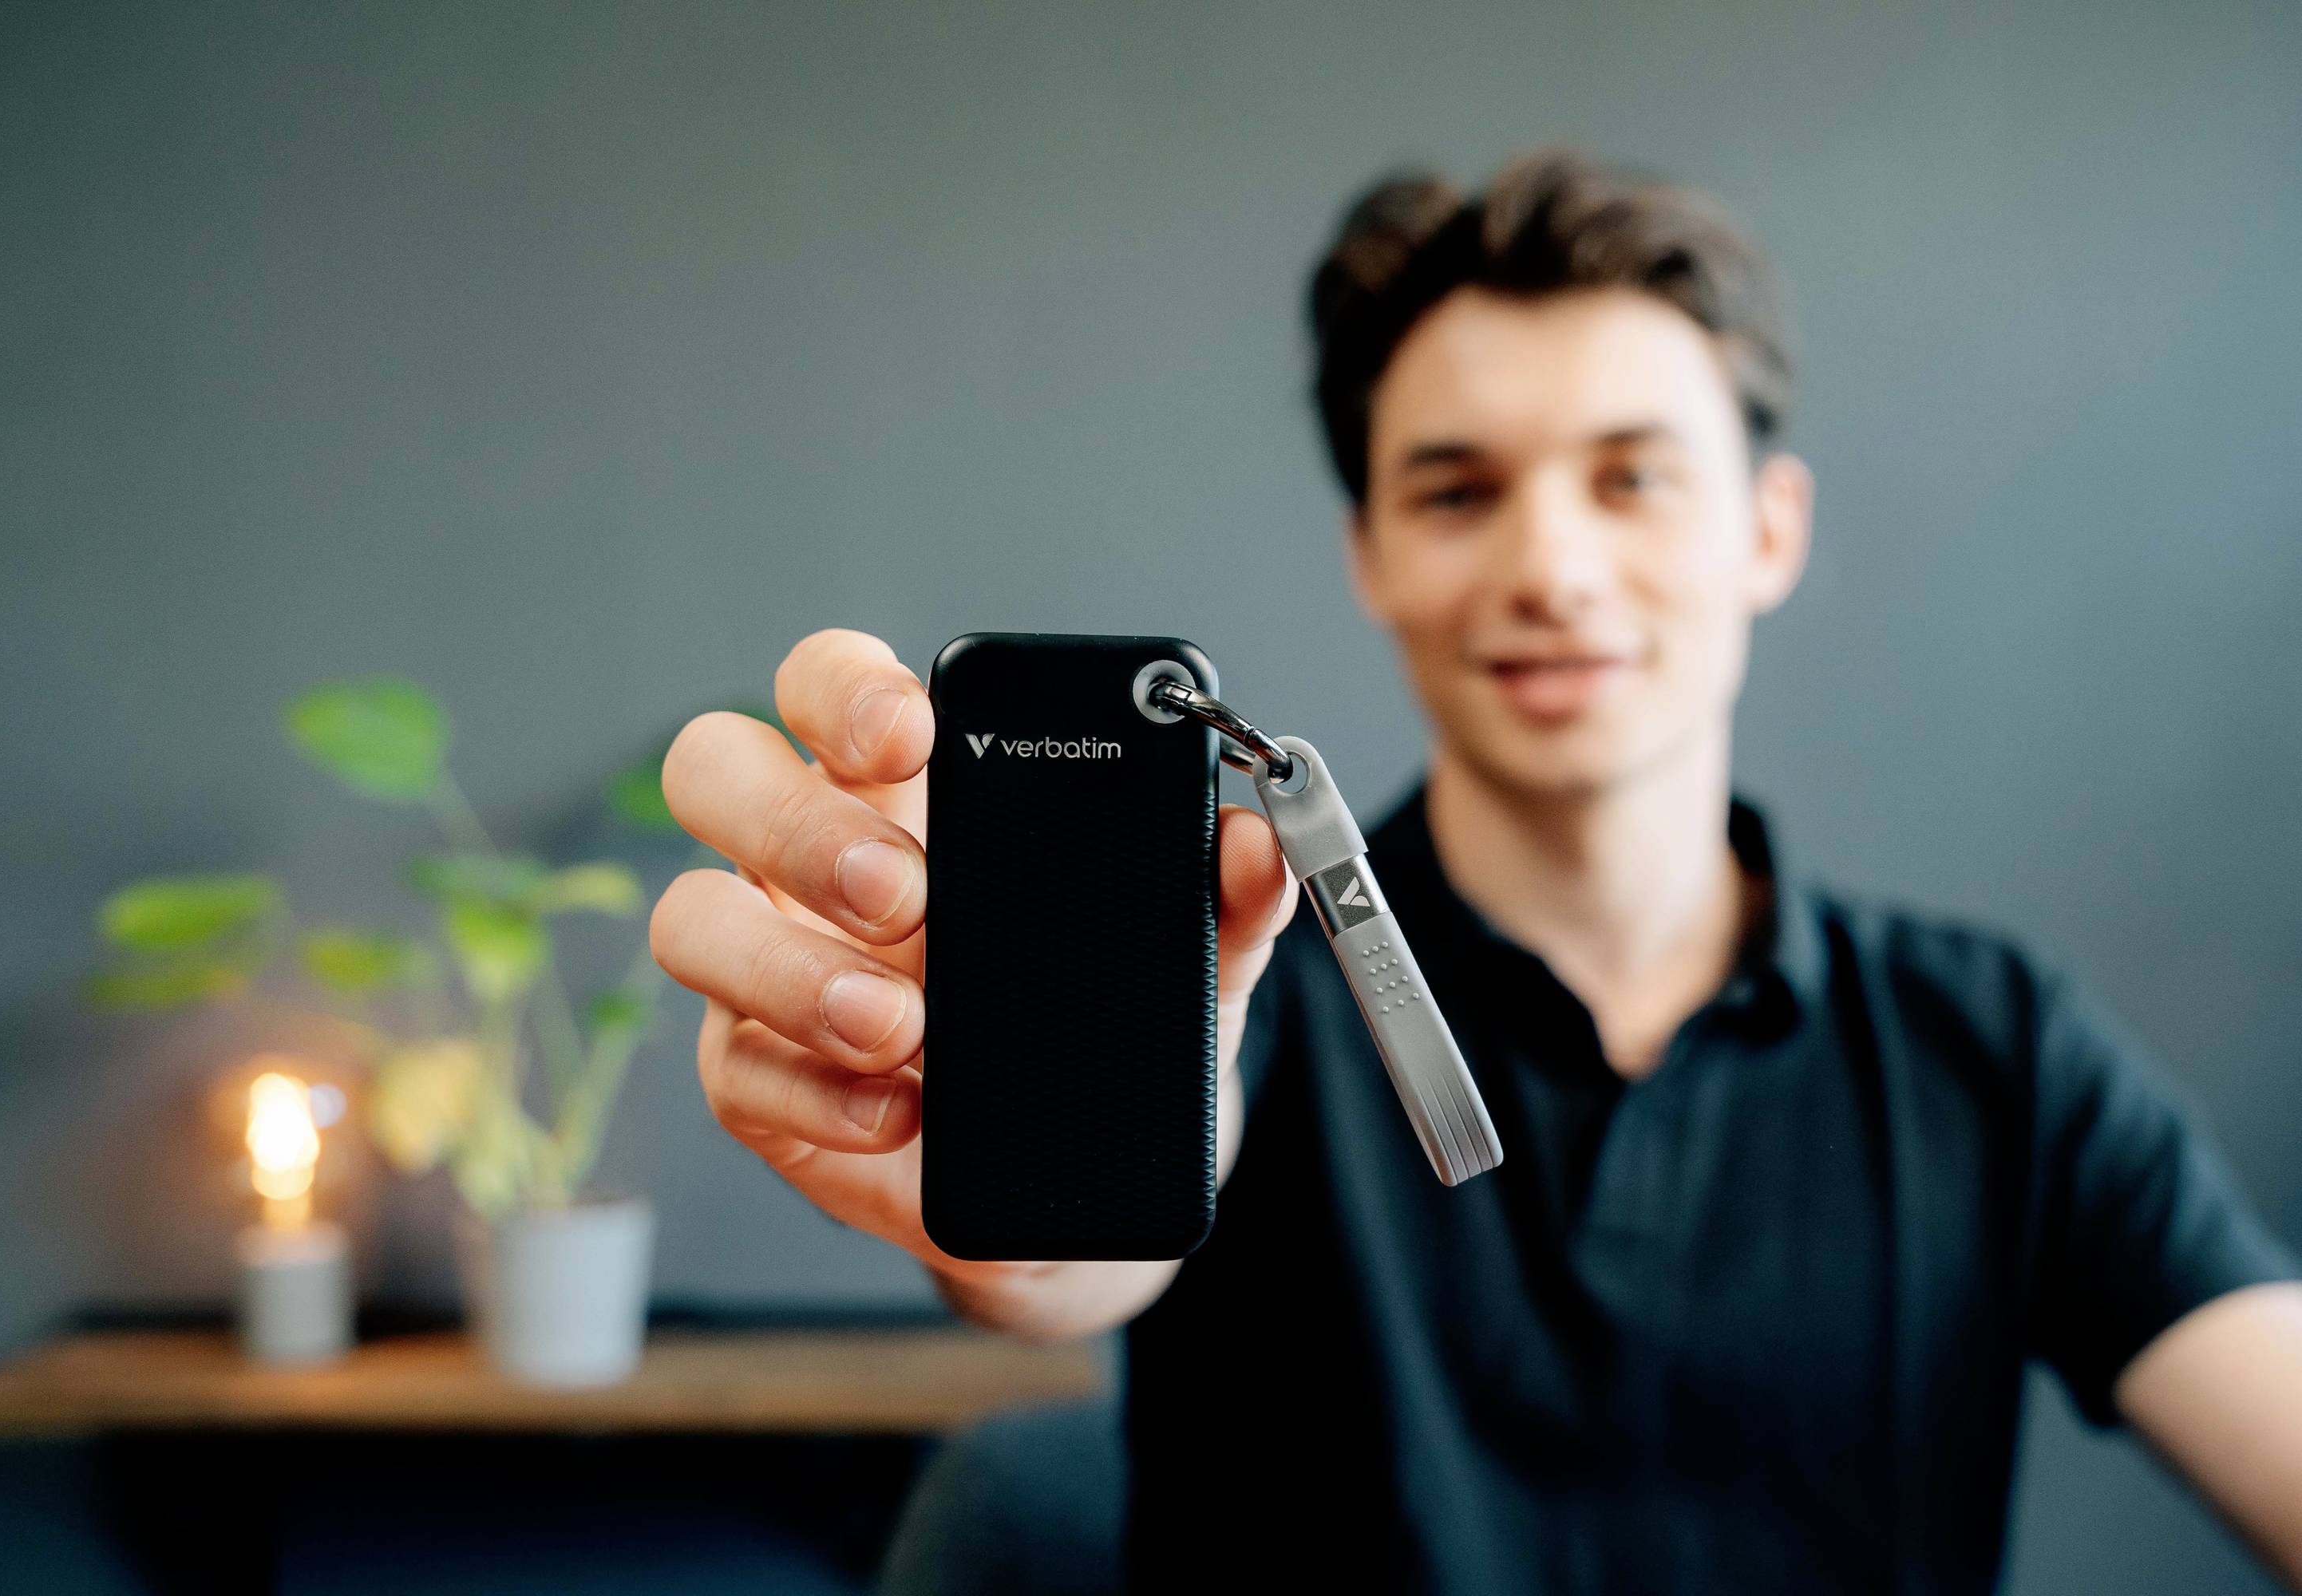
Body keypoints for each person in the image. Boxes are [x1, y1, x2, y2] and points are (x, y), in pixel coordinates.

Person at [647, 150, 2302, 1592]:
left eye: (1633, 476)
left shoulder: (1993, 1048)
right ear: (1372, 547)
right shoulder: (1230, 984)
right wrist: (1010, 1150)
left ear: (1769, 530)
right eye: (1458, 489)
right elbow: (1065, 1262)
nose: (1551, 565)